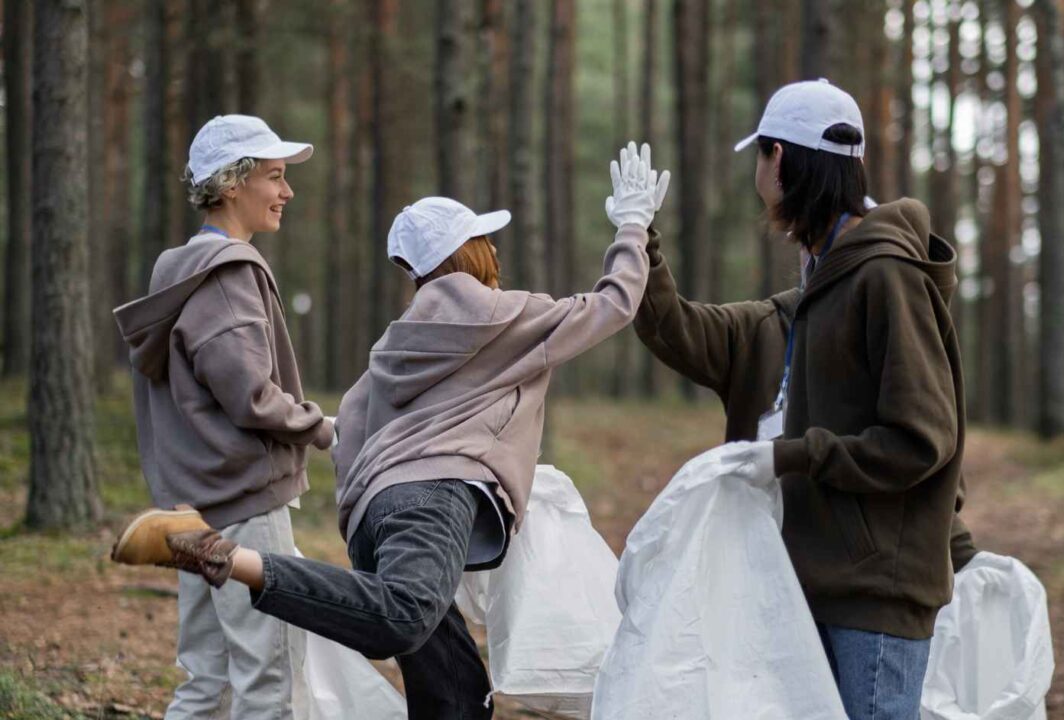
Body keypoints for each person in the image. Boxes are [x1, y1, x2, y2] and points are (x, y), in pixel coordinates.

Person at [113, 143, 671, 720]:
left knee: (454, 692)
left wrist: (363, 501)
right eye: (483, 238)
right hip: (437, 498)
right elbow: (614, 303)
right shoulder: (502, 313)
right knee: (399, 617)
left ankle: (238, 560)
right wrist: (632, 226)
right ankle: (233, 560)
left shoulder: (395, 340)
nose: (495, 248)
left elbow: (351, 425)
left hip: (370, 517)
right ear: (465, 252)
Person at [632, 80, 975, 720]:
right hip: (795, 586)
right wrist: (639, 240)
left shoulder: (887, 277)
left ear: (782, 160)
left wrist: (791, 457)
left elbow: (921, 440)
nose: (757, 174)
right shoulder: (798, 308)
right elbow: (679, 330)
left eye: (760, 156)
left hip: (873, 597)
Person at [111, 114, 333, 718]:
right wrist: (322, 428)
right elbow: (251, 395)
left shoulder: (178, 272)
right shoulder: (230, 272)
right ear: (232, 184)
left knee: (205, 680)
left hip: (190, 510)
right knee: (268, 680)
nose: (286, 191)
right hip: (246, 509)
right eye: (275, 176)